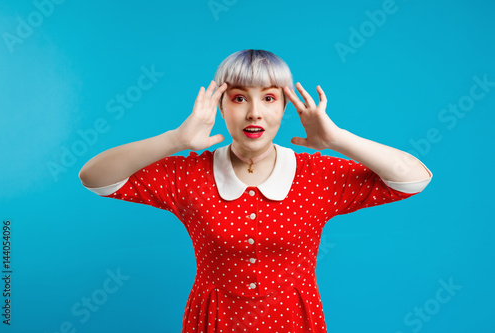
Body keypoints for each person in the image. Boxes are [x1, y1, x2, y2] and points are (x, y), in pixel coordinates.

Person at [79, 49, 432, 333]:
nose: (254, 114)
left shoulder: (316, 175)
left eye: (268, 98)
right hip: (213, 322)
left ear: (284, 106)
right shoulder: (190, 175)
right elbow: (94, 177)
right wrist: (176, 140)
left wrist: (337, 139)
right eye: (238, 98)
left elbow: (414, 179)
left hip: (295, 323)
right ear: (220, 106)